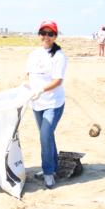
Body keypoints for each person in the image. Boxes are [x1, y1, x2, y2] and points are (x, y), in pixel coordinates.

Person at [26, 20, 68, 189]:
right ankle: (55, 167)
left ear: (55, 36)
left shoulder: (59, 56)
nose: (46, 37)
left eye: (50, 34)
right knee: (48, 136)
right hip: (37, 103)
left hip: (53, 103)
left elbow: (58, 81)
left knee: (44, 136)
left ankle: (48, 172)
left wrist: (41, 90)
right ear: (39, 35)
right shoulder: (34, 54)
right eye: (43, 33)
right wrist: (27, 89)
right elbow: (28, 75)